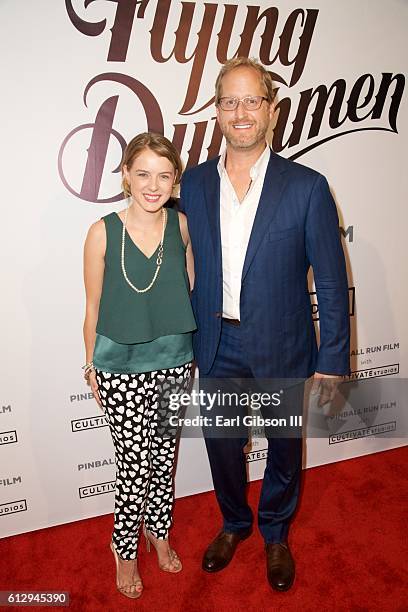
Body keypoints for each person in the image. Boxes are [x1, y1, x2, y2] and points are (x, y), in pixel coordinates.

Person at [180, 57, 350, 592]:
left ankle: (276, 531)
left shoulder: (307, 187)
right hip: (216, 343)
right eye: (229, 101)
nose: (241, 111)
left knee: (283, 446)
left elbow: (329, 277)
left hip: (283, 343)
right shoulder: (195, 183)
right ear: (217, 112)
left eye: (252, 100)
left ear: (271, 111)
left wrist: (334, 360)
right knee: (222, 446)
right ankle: (234, 523)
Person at [82, 132, 196, 599]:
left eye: (164, 175)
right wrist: (90, 367)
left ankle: (159, 532)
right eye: (143, 173)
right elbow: (91, 308)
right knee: (133, 468)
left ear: (175, 181)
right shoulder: (101, 231)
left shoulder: (182, 227)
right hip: (119, 368)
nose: (154, 184)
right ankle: (123, 552)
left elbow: (187, 285)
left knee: (163, 460)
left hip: (173, 362)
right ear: (126, 175)